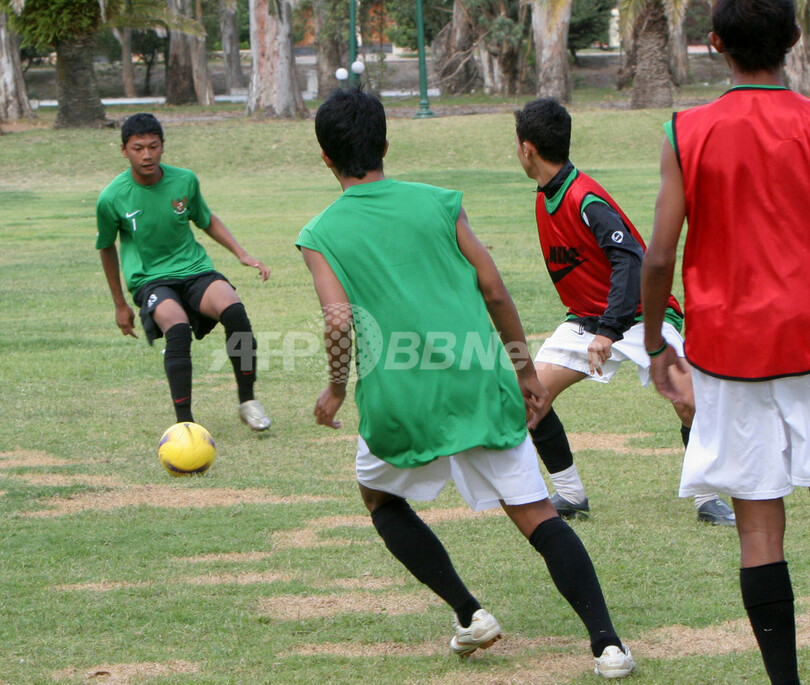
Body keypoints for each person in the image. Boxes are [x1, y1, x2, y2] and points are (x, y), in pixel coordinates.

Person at [297, 87, 635, 678]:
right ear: (385, 143)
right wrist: (525, 371)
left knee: (379, 499)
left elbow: (338, 318)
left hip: (401, 398)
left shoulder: (319, 232)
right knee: (537, 516)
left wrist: (336, 388)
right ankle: (608, 645)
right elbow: (495, 289)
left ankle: (469, 613)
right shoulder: (438, 202)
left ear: (325, 157)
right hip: (480, 381)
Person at [641, 0, 809, 680]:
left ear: (715, 44)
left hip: (729, 349)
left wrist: (655, 346)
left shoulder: (689, 130)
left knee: (759, 528)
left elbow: (657, 258)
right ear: (795, 39)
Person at [514, 98, 734, 526]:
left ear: (527, 149)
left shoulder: (585, 198)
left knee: (687, 399)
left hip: (642, 317)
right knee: (530, 398)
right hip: (588, 320)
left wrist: (610, 330)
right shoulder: (546, 197)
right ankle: (571, 494)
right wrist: (597, 327)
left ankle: (708, 499)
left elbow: (630, 259)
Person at [96, 112, 272, 431]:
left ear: (163, 146)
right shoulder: (111, 197)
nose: (147, 154)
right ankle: (185, 424)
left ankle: (248, 401)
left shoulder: (184, 180)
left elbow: (206, 219)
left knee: (234, 312)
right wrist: (120, 304)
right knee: (176, 328)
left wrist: (242, 254)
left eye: (153, 146)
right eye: (138, 148)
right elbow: (106, 247)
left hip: (194, 269)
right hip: (151, 280)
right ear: (124, 151)